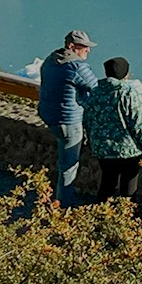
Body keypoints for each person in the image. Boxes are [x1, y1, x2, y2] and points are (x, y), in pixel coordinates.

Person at [82, 56, 142, 202]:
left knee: (107, 183)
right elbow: (140, 123)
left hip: (102, 149)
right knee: (128, 187)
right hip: (127, 150)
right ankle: (126, 220)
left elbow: (87, 119)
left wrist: (92, 141)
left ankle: (101, 216)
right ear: (125, 74)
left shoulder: (96, 92)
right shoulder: (128, 94)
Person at [36, 29, 100, 204]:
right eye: (84, 47)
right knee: (69, 166)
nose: (88, 50)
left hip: (50, 115)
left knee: (63, 159)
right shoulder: (76, 66)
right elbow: (97, 90)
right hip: (68, 120)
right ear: (72, 46)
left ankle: (57, 198)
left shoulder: (51, 60)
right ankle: (63, 206)